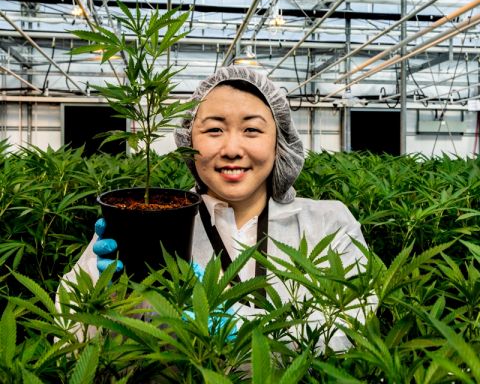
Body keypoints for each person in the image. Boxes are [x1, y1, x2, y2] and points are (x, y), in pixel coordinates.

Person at [61, 65, 374, 351]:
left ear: (279, 141)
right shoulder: (149, 219)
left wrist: (241, 327)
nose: (232, 150)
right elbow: (68, 335)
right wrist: (110, 297)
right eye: (214, 130)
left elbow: (355, 329)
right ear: (189, 140)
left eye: (252, 130)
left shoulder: (328, 223)